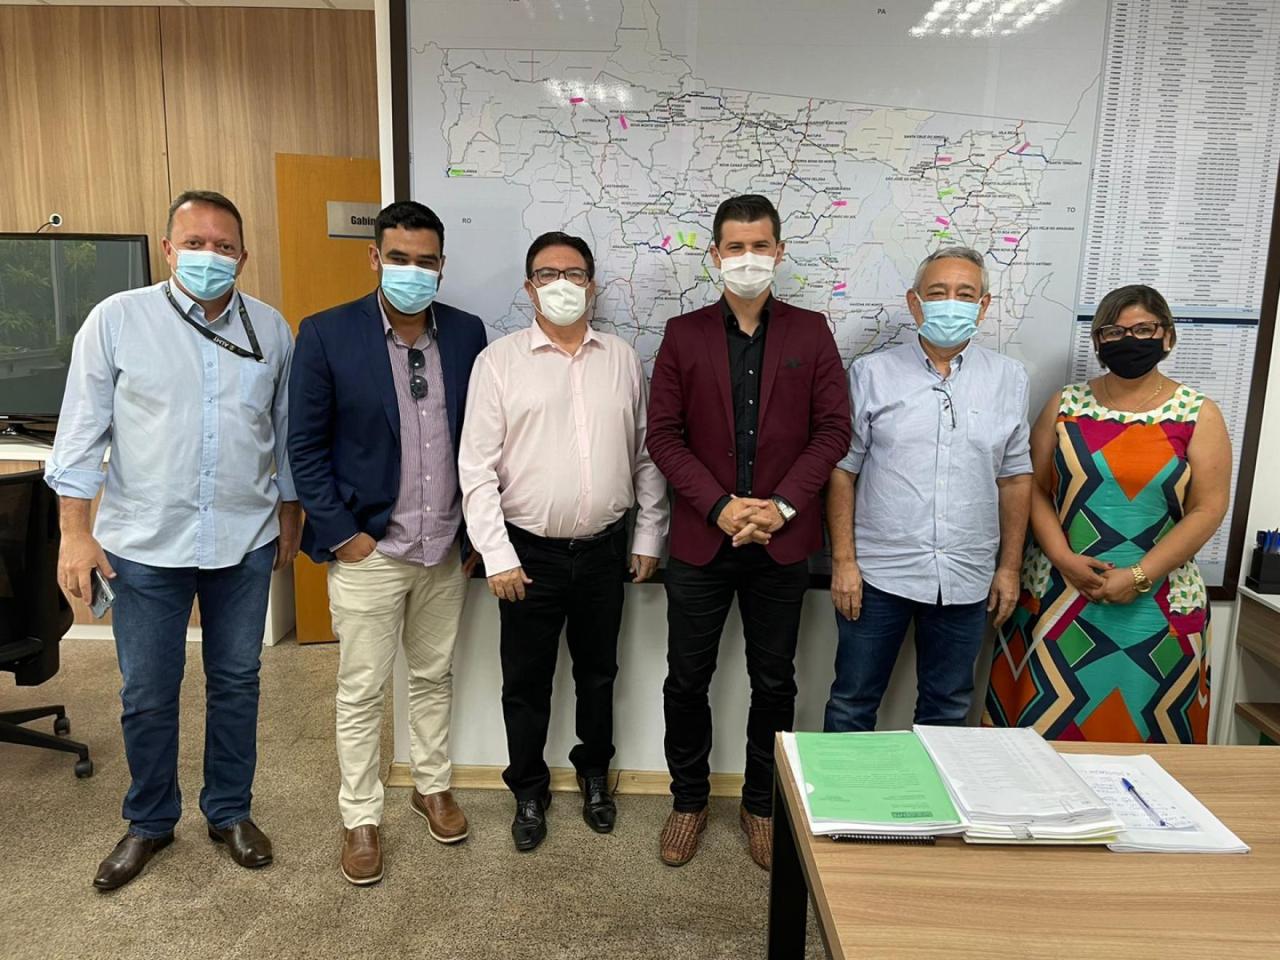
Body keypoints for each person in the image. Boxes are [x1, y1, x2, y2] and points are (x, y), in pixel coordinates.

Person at [47, 190, 300, 891]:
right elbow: (79, 434)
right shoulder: (118, 320)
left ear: (243, 257)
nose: (209, 256)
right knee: (148, 692)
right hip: (143, 545)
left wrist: (290, 516)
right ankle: (150, 821)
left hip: (243, 538)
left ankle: (229, 812)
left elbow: (284, 433)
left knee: (238, 683)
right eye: (194, 243)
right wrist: (75, 533)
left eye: (224, 246)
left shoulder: (271, 329)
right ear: (168, 249)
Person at [646, 195, 851, 870]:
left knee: (775, 683)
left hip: (782, 543)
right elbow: (663, 437)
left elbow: (833, 431)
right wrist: (720, 507)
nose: (747, 258)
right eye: (734, 247)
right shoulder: (683, 335)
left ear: (780, 253)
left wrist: (781, 507)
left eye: (759, 246)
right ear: (715, 255)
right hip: (703, 542)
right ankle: (688, 800)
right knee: (687, 680)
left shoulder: (811, 332)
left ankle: (761, 805)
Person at [288, 201, 487, 885]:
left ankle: (432, 786)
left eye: (425, 261)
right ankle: (360, 816)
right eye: (398, 258)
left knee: (433, 676)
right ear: (375, 258)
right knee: (363, 689)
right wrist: (344, 537)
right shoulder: (326, 334)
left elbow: (482, 437)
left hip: (445, 548)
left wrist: (476, 530)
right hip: (372, 549)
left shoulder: (466, 333)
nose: (412, 271)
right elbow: (304, 448)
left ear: (442, 266)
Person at [458, 232, 668, 853]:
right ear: (529, 288)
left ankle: (594, 775)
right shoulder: (498, 362)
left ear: (592, 285)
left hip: (605, 550)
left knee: (599, 674)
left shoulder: (622, 359)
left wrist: (649, 533)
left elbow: (646, 455)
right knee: (525, 683)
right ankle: (528, 789)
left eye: (574, 274)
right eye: (548, 274)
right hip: (527, 556)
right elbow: (476, 469)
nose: (562, 285)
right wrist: (497, 555)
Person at [985, 284, 1229, 743]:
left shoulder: (1198, 414)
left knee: (1149, 748)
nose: (1129, 339)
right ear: (1098, 341)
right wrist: (1064, 559)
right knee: (1040, 744)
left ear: (1167, 336)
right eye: (1114, 331)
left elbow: (1208, 508)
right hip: (1059, 597)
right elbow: (1031, 487)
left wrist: (1139, 575)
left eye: (1143, 329)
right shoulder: (1064, 406)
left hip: (1157, 606)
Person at [822, 247, 1032, 736]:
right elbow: (842, 472)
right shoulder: (871, 374)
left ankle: (934, 792)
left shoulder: (1009, 379)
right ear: (915, 303)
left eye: (965, 294)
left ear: (983, 305)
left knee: (948, 710)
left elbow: (1015, 478)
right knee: (852, 702)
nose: (951, 303)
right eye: (938, 293)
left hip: (967, 575)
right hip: (878, 574)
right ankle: (843, 791)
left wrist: (1009, 567)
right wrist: (843, 562)